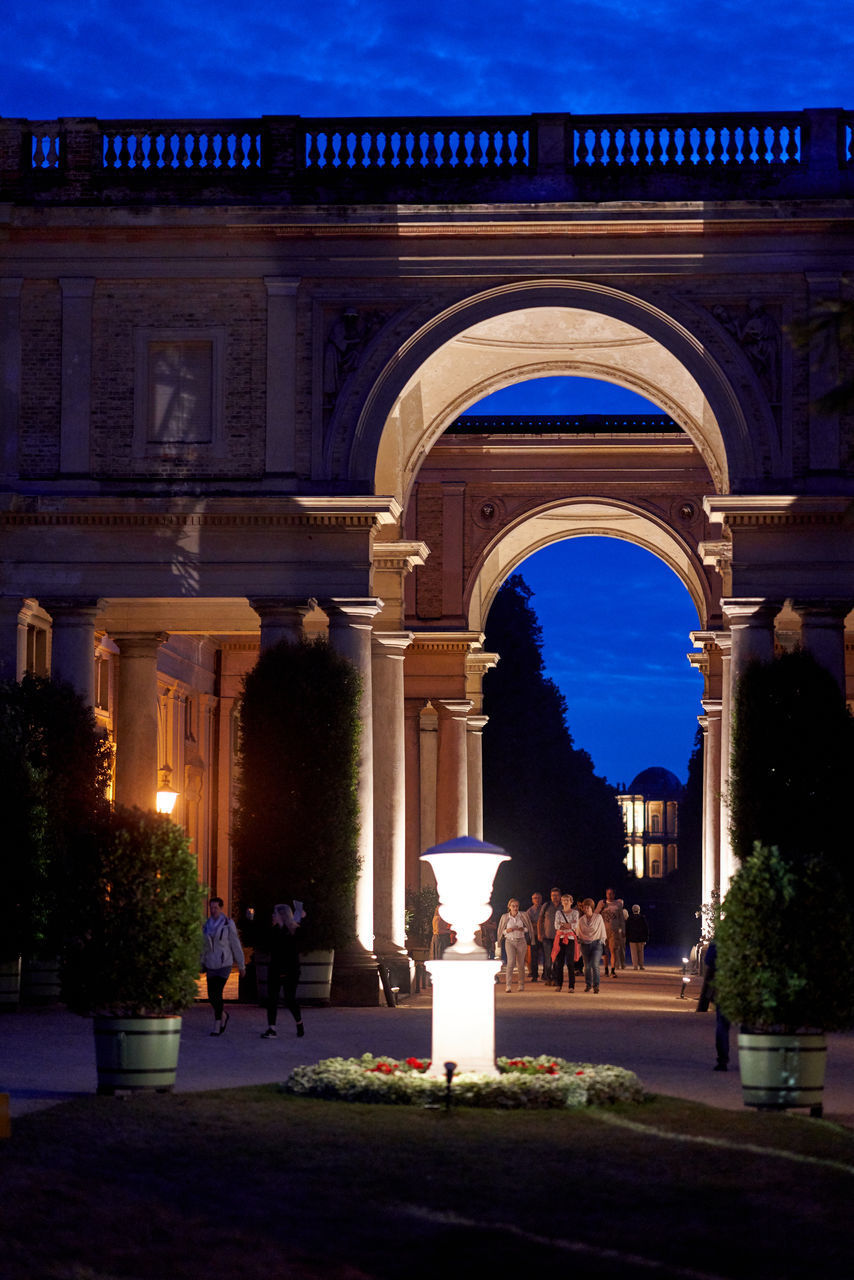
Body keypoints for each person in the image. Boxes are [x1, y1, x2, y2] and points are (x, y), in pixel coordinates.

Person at [201, 897, 246, 1035]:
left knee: (217, 993)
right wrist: (201, 961)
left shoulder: (228, 924)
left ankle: (217, 1024)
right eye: (211, 907)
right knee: (211, 996)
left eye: (216, 907)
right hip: (210, 963)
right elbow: (203, 946)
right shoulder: (207, 924)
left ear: (221, 908)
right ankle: (223, 1015)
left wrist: (241, 964)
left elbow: (235, 944)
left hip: (224, 963)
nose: (213, 910)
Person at [261, 902, 305, 1039]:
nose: (273, 916)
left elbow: (293, 953)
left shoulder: (293, 931)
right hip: (275, 969)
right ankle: (271, 1028)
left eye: (275, 913)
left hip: (290, 970)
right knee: (272, 999)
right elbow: (268, 947)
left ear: (282, 915)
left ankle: (299, 1022)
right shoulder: (274, 931)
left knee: (289, 998)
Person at [695, 940, 731, 1070]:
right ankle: (751, 1059)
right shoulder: (748, 934)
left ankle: (722, 1060)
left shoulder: (721, 937)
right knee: (747, 1025)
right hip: (744, 985)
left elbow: (709, 961)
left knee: (722, 1024)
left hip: (722, 985)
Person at [496, 899, 531, 992]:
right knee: (511, 963)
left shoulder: (523, 915)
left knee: (520, 964)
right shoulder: (505, 917)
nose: (515, 908)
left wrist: (522, 929)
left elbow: (528, 928)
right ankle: (508, 986)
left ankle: (521, 984)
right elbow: (501, 930)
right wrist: (507, 931)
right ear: (509, 907)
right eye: (513, 906)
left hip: (521, 941)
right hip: (510, 941)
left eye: (517, 906)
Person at [576, 898, 607, 993]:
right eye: (585, 907)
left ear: (592, 907)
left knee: (594, 964)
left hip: (596, 944)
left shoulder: (598, 918)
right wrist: (580, 940)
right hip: (585, 944)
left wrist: (601, 941)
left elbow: (602, 930)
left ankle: (596, 985)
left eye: (588, 907)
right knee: (587, 966)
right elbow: (578, 932)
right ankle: (588, 984)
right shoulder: (581, 920)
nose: (586, 909)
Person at [551, 894, 579, 992]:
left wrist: (565, 925)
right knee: (559, 963)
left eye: (567, 900)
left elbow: (575, 925)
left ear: (571, 902)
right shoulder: (558, 913)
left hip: (570, 938)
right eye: (563, 900)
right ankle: (559, 984)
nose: (565, 902)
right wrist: (568, 925)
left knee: (570, 963)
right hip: (561, 938)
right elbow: (556, 925)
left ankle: (571, 986)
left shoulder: (575, 912)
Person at [598, 887, 627, 977]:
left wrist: (623, 930)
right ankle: (606, 969)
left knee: (613, 950)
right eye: (608, 894)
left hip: (614, 931)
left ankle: (613, 970)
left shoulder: (618, 905)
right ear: (606, 894)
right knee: (604, 952)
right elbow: (595, 916)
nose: (609, 895)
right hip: (603, 931)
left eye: (611, 894)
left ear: (614, 894)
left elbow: (621, 919)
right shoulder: (602, 903)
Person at [537, 887, 562, 985]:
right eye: (553, 895)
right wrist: (540, 933)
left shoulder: (563, 906)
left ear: (560, 896)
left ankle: (556, 979)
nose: (554, 897)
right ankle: (548, 978)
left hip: (559, 937)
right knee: (548, 959)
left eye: (556, 895)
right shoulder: (546, 906)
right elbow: (540, 920)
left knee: (557, 960)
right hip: (547, 937)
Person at [526, 892, 544, 981]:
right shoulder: (529, 911)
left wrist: (537, 924)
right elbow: (528, 924)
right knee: (534, 957)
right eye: (535, 898)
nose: (537, 899)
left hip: (544, 936)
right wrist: (539, 924)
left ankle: (546, 974)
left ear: (541, 899)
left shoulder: (545, 909)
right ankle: (534, 975)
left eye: (538, 898)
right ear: (532, 900)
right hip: (534, 936)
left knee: (547, 955)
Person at [626, 904, 649, 969]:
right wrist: (646, 938)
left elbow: (627, 928)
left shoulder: (629, 918)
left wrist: (627, 937)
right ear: (639, 910)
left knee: (634, 953)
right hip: (641, 938)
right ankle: (641, 966)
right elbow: (646, 929)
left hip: (632, 938)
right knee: (641, 953)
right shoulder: (642, 918)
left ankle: (635, 966)